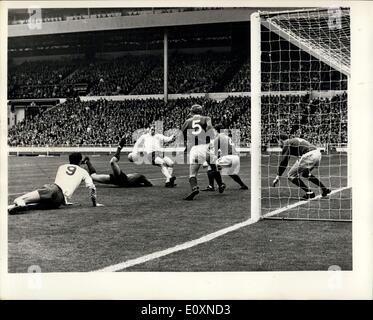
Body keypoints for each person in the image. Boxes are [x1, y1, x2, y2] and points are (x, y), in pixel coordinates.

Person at [8, 152, 103, 214]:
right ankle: (17, 207)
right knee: (34, 207)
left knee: (19, 199)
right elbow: (92, 187)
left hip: (52, 189)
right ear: (80, 161)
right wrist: (95, 204)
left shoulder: (61, 167)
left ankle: (20, 204)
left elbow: (59, 183)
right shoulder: (84, 172)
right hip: (59, 200)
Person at [181, 104, 225, 200]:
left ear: (192, 112)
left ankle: (194, 188)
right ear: (201, 111)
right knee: (213, 167)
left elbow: (182, 132)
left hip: (194, 148)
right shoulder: (206, 118)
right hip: (206, 146)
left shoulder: (187, 121)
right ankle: (220, 184)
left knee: (193, 173)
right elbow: (209, 128)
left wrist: (188, 139)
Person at [272, 134, 331, 199]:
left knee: (291, 175)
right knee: (305, 174)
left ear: (280, 140)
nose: (278, 144)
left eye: (278, 142)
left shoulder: (286, 143)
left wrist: (278, 176)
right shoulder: (294, 140)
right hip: (317, 154)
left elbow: (284, 161)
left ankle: (309, 193)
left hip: (310, 155)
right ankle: (324, 189)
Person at [203, 125, 248, 191]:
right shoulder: (227, 137)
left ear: (216, 130)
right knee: (230, 172)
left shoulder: (218, 138)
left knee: (211, 167)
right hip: (236, 158)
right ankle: (243, 185)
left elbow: (214, 154)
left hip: (228, 158)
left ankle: (214, 186)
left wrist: (206, 162)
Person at [83, 155, 153, 187]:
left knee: (112, 162)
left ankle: (87, 161)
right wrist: (148, 183)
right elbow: (148, 183)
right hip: (119, 180)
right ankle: (87, 161)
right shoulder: (139, 178)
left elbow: (147, 182)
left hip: (120, 179)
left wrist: (147, 183)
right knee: (93, 176)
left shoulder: (139, 177)